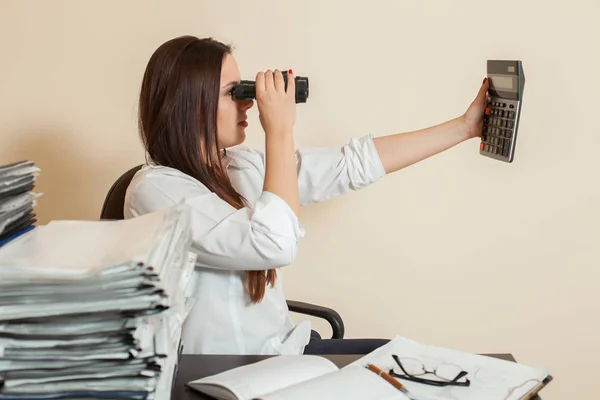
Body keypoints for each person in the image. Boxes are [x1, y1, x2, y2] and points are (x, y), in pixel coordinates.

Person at [124, 35, 489, 355]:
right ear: (191, 102)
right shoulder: (156, 191)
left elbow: (351, 164)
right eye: (233, 92)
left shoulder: (240, 166)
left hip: (281, 353)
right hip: (222, 372)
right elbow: (274, 245)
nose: (248, 102)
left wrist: (464, 127)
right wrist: (279, 131)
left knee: (406, 365)